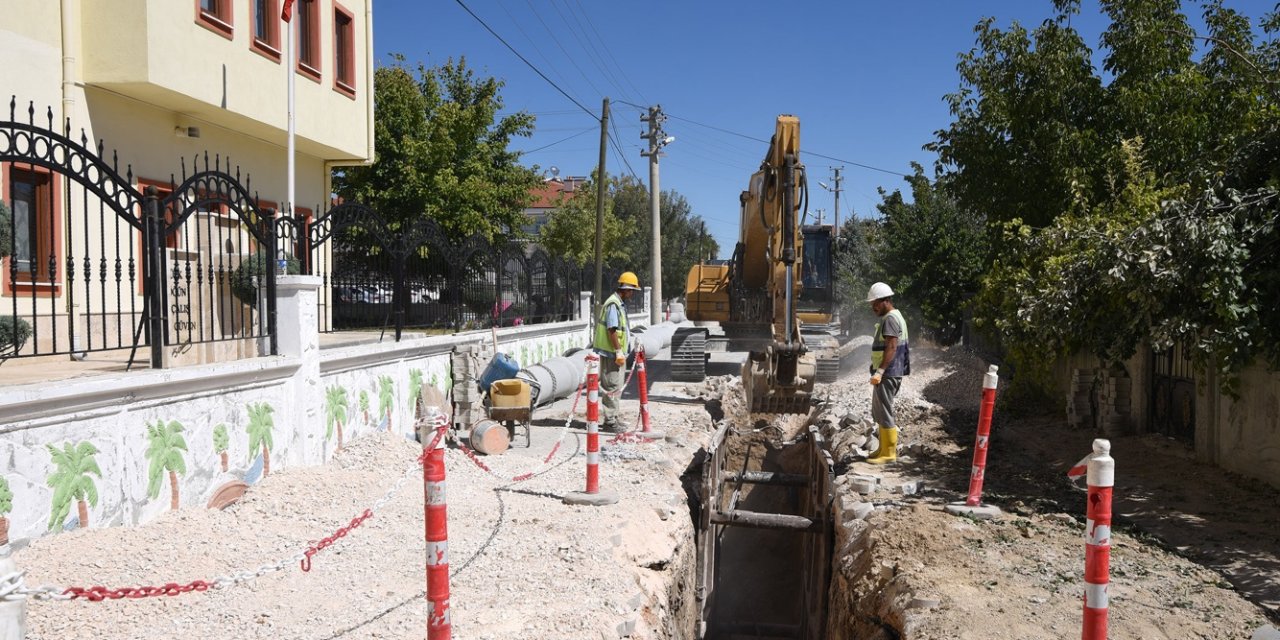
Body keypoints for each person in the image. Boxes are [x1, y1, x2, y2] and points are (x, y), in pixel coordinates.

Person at [865, 282, 910, 464]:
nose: (872, 307)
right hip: (887, 372)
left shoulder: (890, 319)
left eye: (875, 303)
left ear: (884, 301)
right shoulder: (893, 316)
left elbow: (891, 346)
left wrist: (881, 371)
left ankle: (889, 453)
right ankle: (882, 449)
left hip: (889, 372)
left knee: (885, 410)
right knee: (880, 410)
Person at [594, 272, 641, 432]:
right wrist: (618, 350)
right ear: (625, 289)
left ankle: (613, 418)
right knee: (612, 386)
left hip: (616, 353)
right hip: (611, 353)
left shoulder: (618, 303)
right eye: (632, 290)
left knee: (617, 386)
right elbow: (611, 330)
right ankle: (610, 422)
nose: (632, 294)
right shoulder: (613, 304)